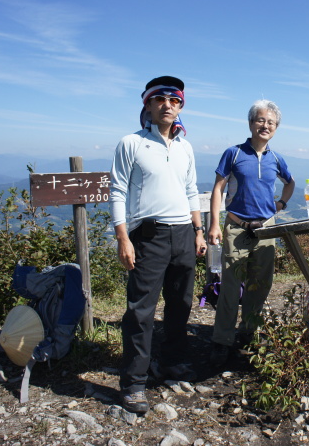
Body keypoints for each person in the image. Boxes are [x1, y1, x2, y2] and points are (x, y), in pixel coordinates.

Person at [109, 75, 206, 414]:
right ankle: (134, 384)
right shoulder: (131, 143)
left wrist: (198, 230)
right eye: (160, 99)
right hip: (147, 235)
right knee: (141, 311)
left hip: (183, 233)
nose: (168, 105)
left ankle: (172, 365)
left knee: (180, 305)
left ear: (180, 107)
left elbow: (192, 189)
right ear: (148, 105)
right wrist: (123, 237)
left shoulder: (185, 146)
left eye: (174, 101)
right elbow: (118, 191)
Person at [207, 100, 295, 366]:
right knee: (230, 288)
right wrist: (214, 224)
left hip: (266, 229)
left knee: (261, 285)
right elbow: (218, 189)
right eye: (260, 120)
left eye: (271, 122)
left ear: (276, 128)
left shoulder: (276, 158)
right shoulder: (233, 154)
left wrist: (280, 205)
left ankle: (248, 334)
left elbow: (289, 183)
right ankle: (222, 340)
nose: (265, 125)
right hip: (236, 227)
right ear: (250, 123)